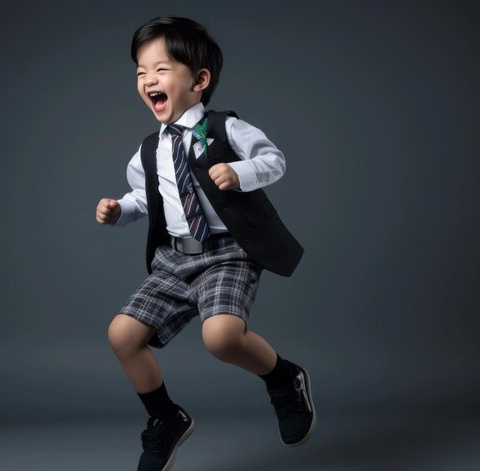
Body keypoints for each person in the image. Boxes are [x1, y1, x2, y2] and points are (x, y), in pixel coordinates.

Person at [96, 16, 315, 471]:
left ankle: (283, 379)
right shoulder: (148, 151)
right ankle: (165, 418)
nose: (148, 80)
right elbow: (145, 196)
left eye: (161, 69)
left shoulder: (222, 129)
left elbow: (273, 159)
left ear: (198, 80)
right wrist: (120, 210)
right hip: (175, 258)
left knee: (221, 337)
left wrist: (241, 174)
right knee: (122, 334)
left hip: (227, 253)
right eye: (140, 72)